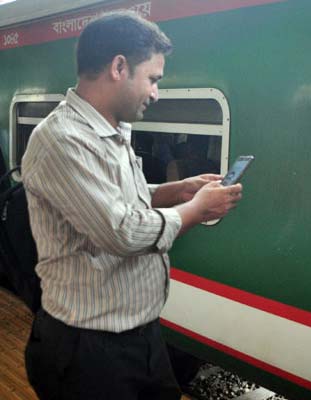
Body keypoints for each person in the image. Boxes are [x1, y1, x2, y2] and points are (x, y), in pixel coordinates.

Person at [21, 12, 242, 400]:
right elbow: (121, 231)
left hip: (140, 337)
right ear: (119, 67)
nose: (155, 92)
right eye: (153, 78)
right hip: (87, 351)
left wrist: (179, 190)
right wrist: (197, 210)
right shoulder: (61, 139)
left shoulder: (115, 131)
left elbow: (120, 197)